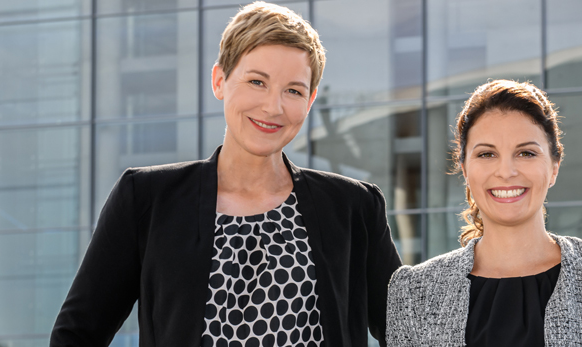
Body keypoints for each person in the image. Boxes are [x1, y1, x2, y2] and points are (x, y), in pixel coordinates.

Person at [51, 2, 403, 346]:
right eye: (256, 81)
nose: (273, 106)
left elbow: (409, 330)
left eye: (293, 91)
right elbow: (77, 333)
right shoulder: (145, 198)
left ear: (309, 102)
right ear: (220, 80)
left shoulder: (353, 206)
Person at [385, 80, 582, 346]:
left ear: (554, 167)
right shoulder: (416, 293)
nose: (506, 172)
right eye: (487, 154)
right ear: (464, 168)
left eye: (526, 153)